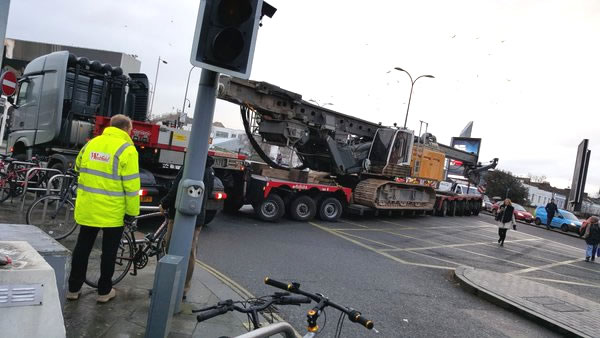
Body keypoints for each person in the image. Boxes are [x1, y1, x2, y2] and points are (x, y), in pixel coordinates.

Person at [66, 114, 140, 303]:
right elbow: (131, 187)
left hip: (88, 208)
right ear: (126, 129)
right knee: (109, 253)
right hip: (112, 213)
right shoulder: (127, 150)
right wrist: (132, 213)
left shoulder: (91, 144)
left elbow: (77, 167)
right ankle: (104, 291)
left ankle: (73, 289)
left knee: (82, 247)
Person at [159, 156, 215, 298]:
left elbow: (176, 188)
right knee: (190, 252)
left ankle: (168, 283)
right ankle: (184, 287)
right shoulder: (210, 170)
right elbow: (209, 192)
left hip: (179, 215)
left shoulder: (189, 167)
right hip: (198, 217)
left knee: (170, 247)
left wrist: (164, 204)